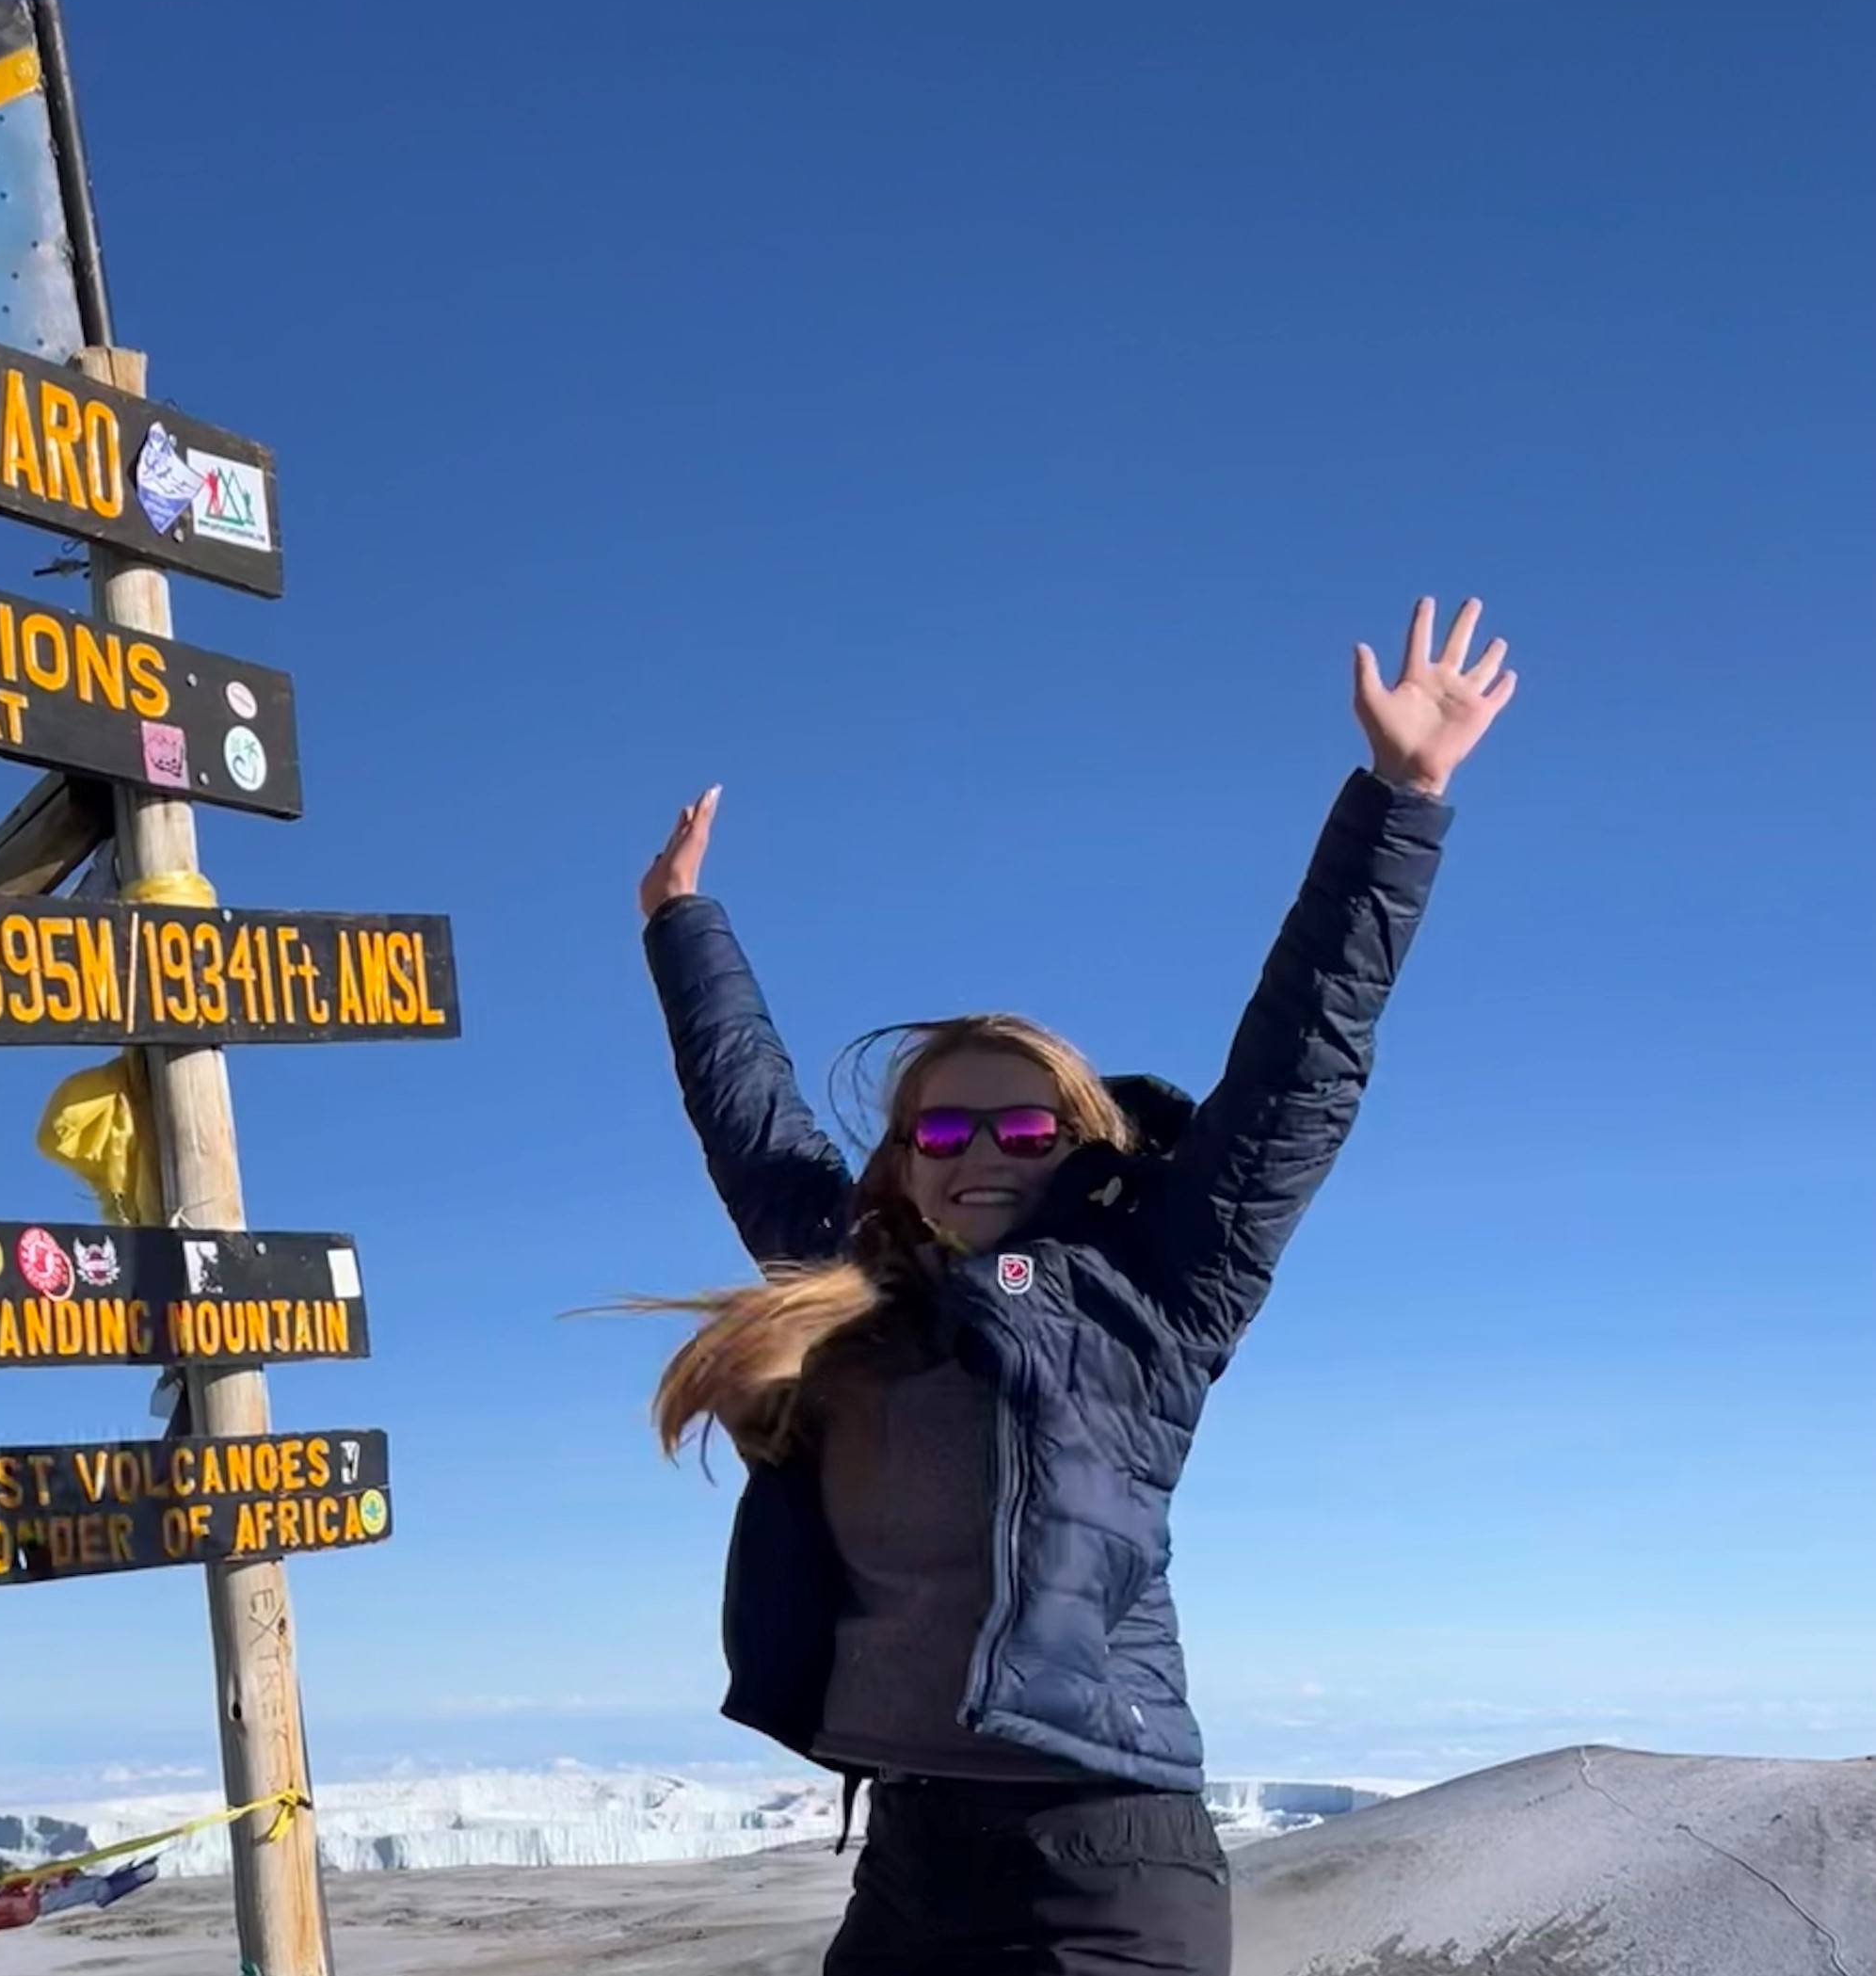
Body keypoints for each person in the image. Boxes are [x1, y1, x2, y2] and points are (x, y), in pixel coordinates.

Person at [632, 600, 1514, 1975]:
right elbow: (752, 1115)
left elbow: (1304, 1062)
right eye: (943, 1128)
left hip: (1104, 1860)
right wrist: (682, 922)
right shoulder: (854, 1279)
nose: (982, 1151)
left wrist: (1401, 798)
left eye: (1026, 1127)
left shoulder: (1156, 1286)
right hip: (911, 1857)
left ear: (1080, 1146)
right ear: (904, 1160)